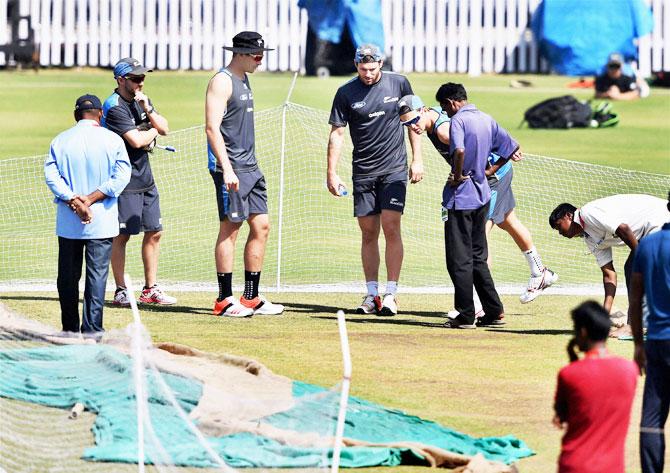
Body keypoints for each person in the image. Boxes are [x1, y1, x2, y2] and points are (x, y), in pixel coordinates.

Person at [397, 94, 558, 308]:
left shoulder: (444, 132)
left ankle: (479, 304)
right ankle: (539, 271)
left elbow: (472, 146)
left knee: (479, 237)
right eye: (406, 124)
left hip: (491, 177)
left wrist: (462, 172)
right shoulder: (431, 116)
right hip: (493, 175)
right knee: (508, 220)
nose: (412, 127)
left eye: (413, 121)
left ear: (424, 110)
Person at [327, 44, 423, 316]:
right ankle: (372, 294)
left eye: (372, 68)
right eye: (362, 69)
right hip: (363, 172)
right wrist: (332, 173)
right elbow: (337, 134)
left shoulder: (399, 83)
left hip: (393, 169)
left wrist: (417, 159)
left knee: (391, 227)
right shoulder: (345, 93)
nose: (368, 74)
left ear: (380, 63)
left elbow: (412, 122)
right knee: (368, 232)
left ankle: (391, 293)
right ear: (356, 65)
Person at [205, 31, 284, 317]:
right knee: (231, 229)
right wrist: (226, 168)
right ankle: (224, 300)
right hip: (232, 169)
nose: (260, 61)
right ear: (239, 53)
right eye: (256, 56)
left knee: (261, 226)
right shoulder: (221, 81)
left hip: (251, 167)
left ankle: (251, 297)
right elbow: (212, 128)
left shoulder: (244, 78)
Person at [44, 94, 131, 336]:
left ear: (76, 114)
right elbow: (121, 177)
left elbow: (52, 178)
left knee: (68, 279)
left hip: (69, 222)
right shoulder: (112, 140)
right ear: (101, 114)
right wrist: (91, 200)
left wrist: (75, 200)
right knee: (97, 278)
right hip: (101, 221)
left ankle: (69, 329)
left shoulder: (60, 140)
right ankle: (93, 330)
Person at [435, 83, 517, 329]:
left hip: (461, 198)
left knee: (458, 259)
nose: (446, 113)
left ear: (451, 102)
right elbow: (511, 146)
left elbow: (458, 149)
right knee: (478, 256)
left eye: (444, 108)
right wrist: (491, 169)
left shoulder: (459, 121)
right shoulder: (486, 119)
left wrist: (458, 175)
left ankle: (466, 314)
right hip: (483, 194)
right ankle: (494, 311)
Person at [102, 57, 177, 306]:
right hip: (124, 179)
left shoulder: (142, 101)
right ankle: (121, 290)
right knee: (121, 236)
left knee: (155, 232)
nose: (141, 82)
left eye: (143, 77)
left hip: (145, 176)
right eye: (135, 78)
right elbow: (136, 141)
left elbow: (165, 127)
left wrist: (149, 112)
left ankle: (150, 289)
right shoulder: (114, 107)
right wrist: (151, 132)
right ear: (121, 80)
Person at [549, 194, 669, 335]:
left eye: (559, 226)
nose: (560, 233)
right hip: (650, 229)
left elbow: (623, 229)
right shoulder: (590, 239)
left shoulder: (588, 213)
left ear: (569, 216)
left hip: (661, 217)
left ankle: (634, 325)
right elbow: (609, 275)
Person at [553, 301, 638, 473]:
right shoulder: (630, 370)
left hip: (575, 465)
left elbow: (561, 418)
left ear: (583, 332)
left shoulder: (569, 373)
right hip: (613, 467)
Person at [630, 191, 670, 473]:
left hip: (657, 341)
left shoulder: (648, 246)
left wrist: (638, 345)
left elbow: (634, 299)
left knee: (652, 418)